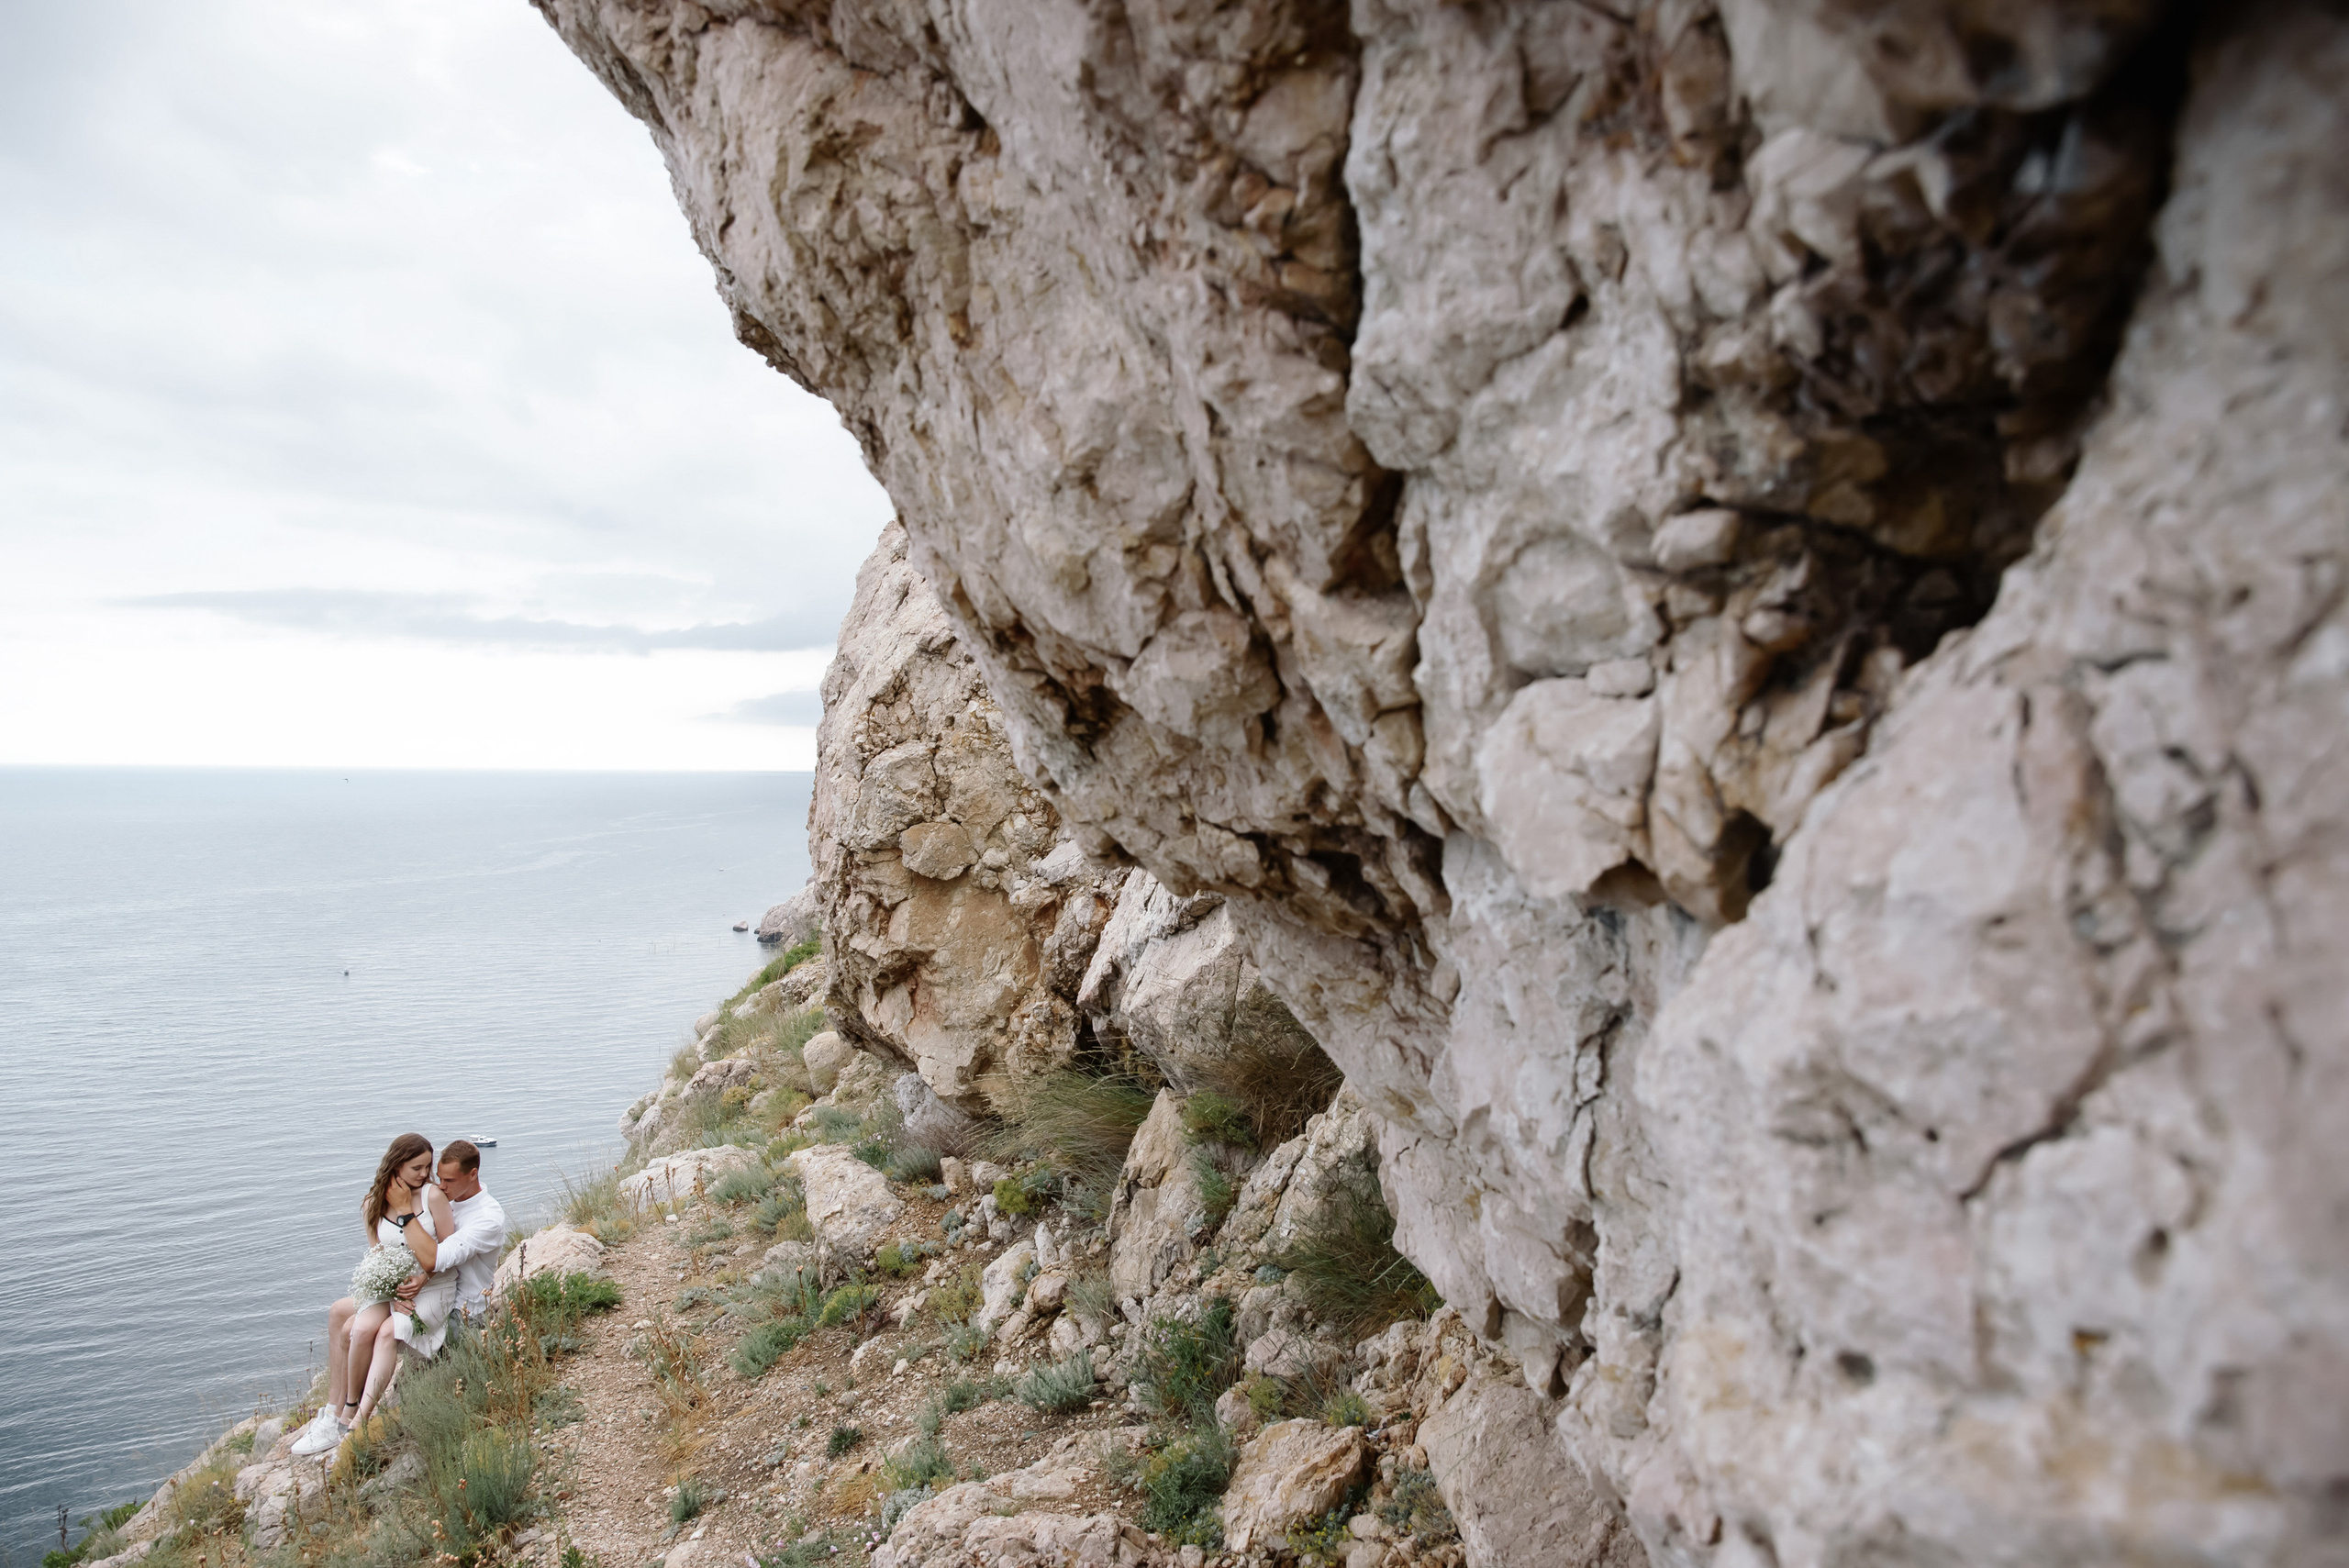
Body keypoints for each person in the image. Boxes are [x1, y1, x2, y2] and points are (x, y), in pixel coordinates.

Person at [288, 1137, 508, 1455]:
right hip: (407, 1288)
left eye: (442, 1177)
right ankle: (333, 1412)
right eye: (423, 1170)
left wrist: (407, 1215)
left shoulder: (482, 1215)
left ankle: (353, 1421)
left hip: (455, 1299)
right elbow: (379, 1256)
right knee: (343, 1316)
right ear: (396, 1166)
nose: (434, 1181)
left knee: (372, 1330)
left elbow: (436, 1260)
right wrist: (392, 1291)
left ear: (472, 1175)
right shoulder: (398, 1200)